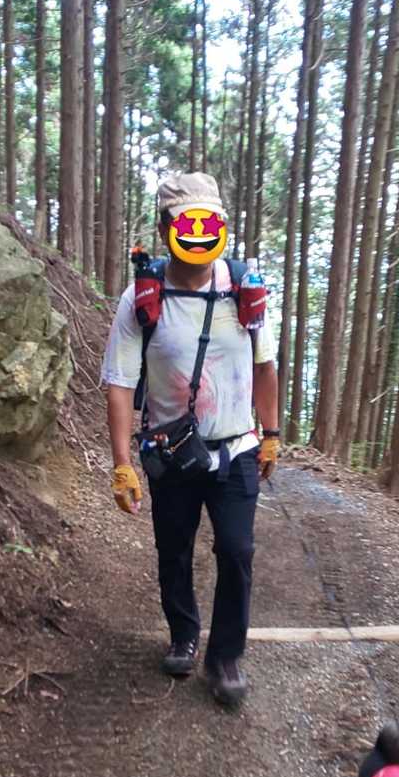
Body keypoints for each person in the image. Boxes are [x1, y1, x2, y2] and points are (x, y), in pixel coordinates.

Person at [101, 172, 280, 707]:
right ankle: (183, 634)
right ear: (165, 230)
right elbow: (120, 382)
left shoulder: (245, 290)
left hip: (236, 449)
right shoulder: (142, 298)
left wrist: (271, 433)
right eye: (186, 225)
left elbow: (265, 366)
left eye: (208, 225)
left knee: (237, 549)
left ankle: (225, 657)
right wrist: (121, 463)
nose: (198, 236)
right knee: (174, 548)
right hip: (172, 451)